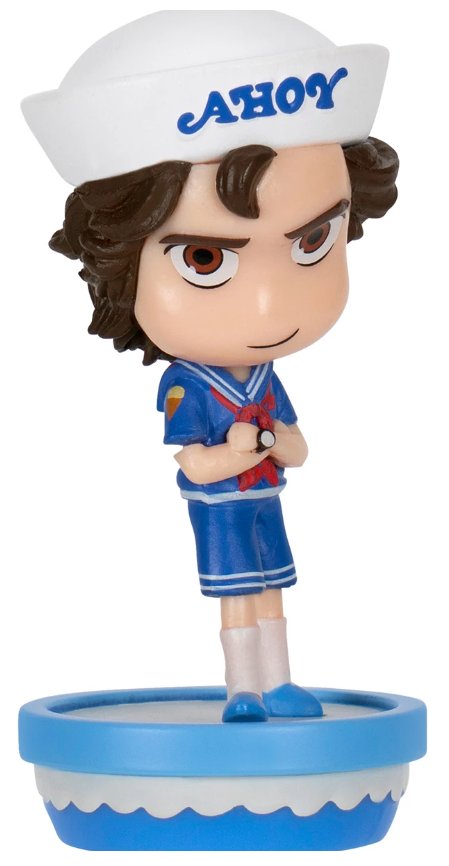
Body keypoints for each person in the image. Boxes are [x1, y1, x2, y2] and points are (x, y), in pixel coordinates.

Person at [22, 11, 399, 722]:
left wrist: (279, 443)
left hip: (265, 498)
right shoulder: (188, 385)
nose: (268, 305)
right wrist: (240, 451)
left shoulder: (263, 379)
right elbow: (192, 463)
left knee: (274, 591)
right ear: (119, 266)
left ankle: (279, 683)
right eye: (205, 258)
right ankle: (243, 690)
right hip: (223, 509)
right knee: (237, 599)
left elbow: (298, 446)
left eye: (313, 241)